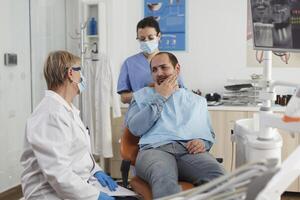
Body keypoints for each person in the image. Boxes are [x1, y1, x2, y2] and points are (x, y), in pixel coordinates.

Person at [125, 52, 225, 198]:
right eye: (154, 70)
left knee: (218, 175)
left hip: (188, 151)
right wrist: (161, 96)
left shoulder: (197, 101)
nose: (159, 73)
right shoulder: (141, 96)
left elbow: (208, 134)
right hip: (154, 150)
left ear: (177, 69)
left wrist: (202, 142)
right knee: (163, 176)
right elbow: (135, 128)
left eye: (164, 67)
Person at [20, 51, 118, 200]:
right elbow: (58, 173)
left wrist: (95, 170)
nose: (83, 77)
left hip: (71, 189)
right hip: (48, 195)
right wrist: (96, 196)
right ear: (71, 74)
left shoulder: (67, 109)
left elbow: (76, 153)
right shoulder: (50, 114)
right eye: (81, 72)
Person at [117, 16, 184, 104]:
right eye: (142, 39)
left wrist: (165, 89)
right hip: (140, 113)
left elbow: (181, 91)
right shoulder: (129, 63)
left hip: (167, 113)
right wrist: (148, 92)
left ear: (159, 36)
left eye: (151, 38)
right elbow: (124, 98)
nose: (146, 41)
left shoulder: (170, 60)